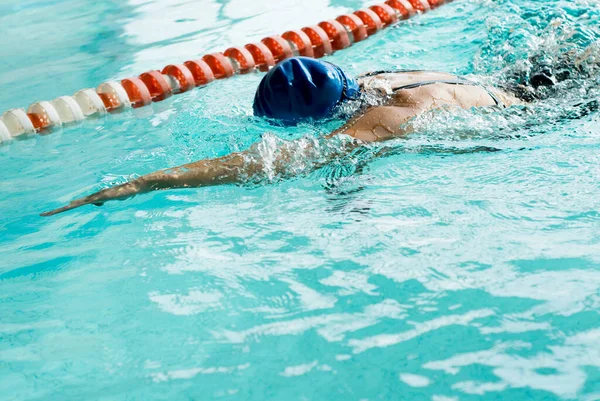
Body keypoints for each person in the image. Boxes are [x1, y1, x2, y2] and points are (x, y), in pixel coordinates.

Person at [41, 56, 527, 217]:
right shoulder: (378, 81)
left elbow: (279, 163)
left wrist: (139, 183)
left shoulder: (393, 117)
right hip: (522, 82)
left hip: (544, 117)